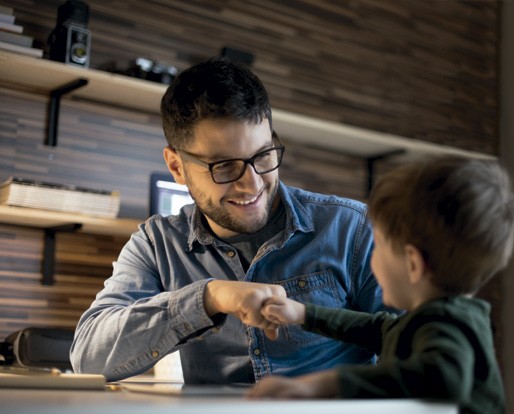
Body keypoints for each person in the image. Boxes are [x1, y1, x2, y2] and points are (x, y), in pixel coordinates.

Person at [69, 57, 386, 384]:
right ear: (177, 167)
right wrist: (208, 298)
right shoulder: (156, 244)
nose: (252, 185)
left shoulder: (352, 229)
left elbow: (422, 352)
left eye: (263, 156)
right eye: (223, 166)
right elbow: (90, 358)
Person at [247, 155, 514, 413]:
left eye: (379, 248)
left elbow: (444, 376)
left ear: (412, 264)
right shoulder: (440, 317)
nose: (371, 257)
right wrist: (303, 314)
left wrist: (324, 385)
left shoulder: (446, 326)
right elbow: (379, 329)